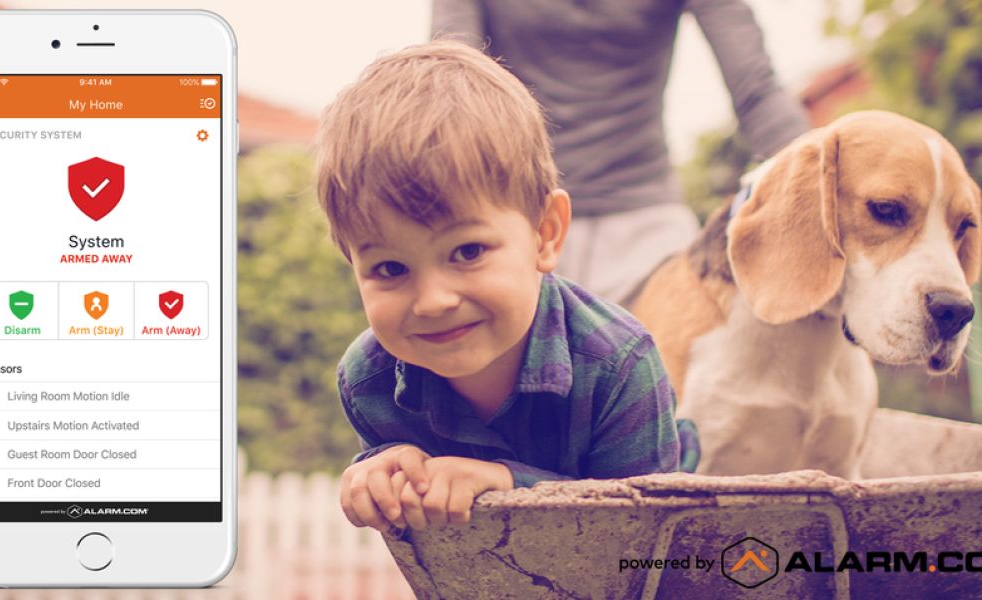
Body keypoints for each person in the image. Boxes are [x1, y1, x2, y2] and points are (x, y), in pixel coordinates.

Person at [315, 41, 698, 533]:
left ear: (545, 233)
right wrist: (382, 467)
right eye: (390, 268)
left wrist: (507, 484)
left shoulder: (619, 365)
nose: (433, 301)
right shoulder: (369, 382)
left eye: (468, 252)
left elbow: (642, 539)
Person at [433, 0, 811, 304]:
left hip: (648, 230)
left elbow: (756, 89)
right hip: (521, 220)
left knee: (664, 384)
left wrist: (814, 186)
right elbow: (453, 82)